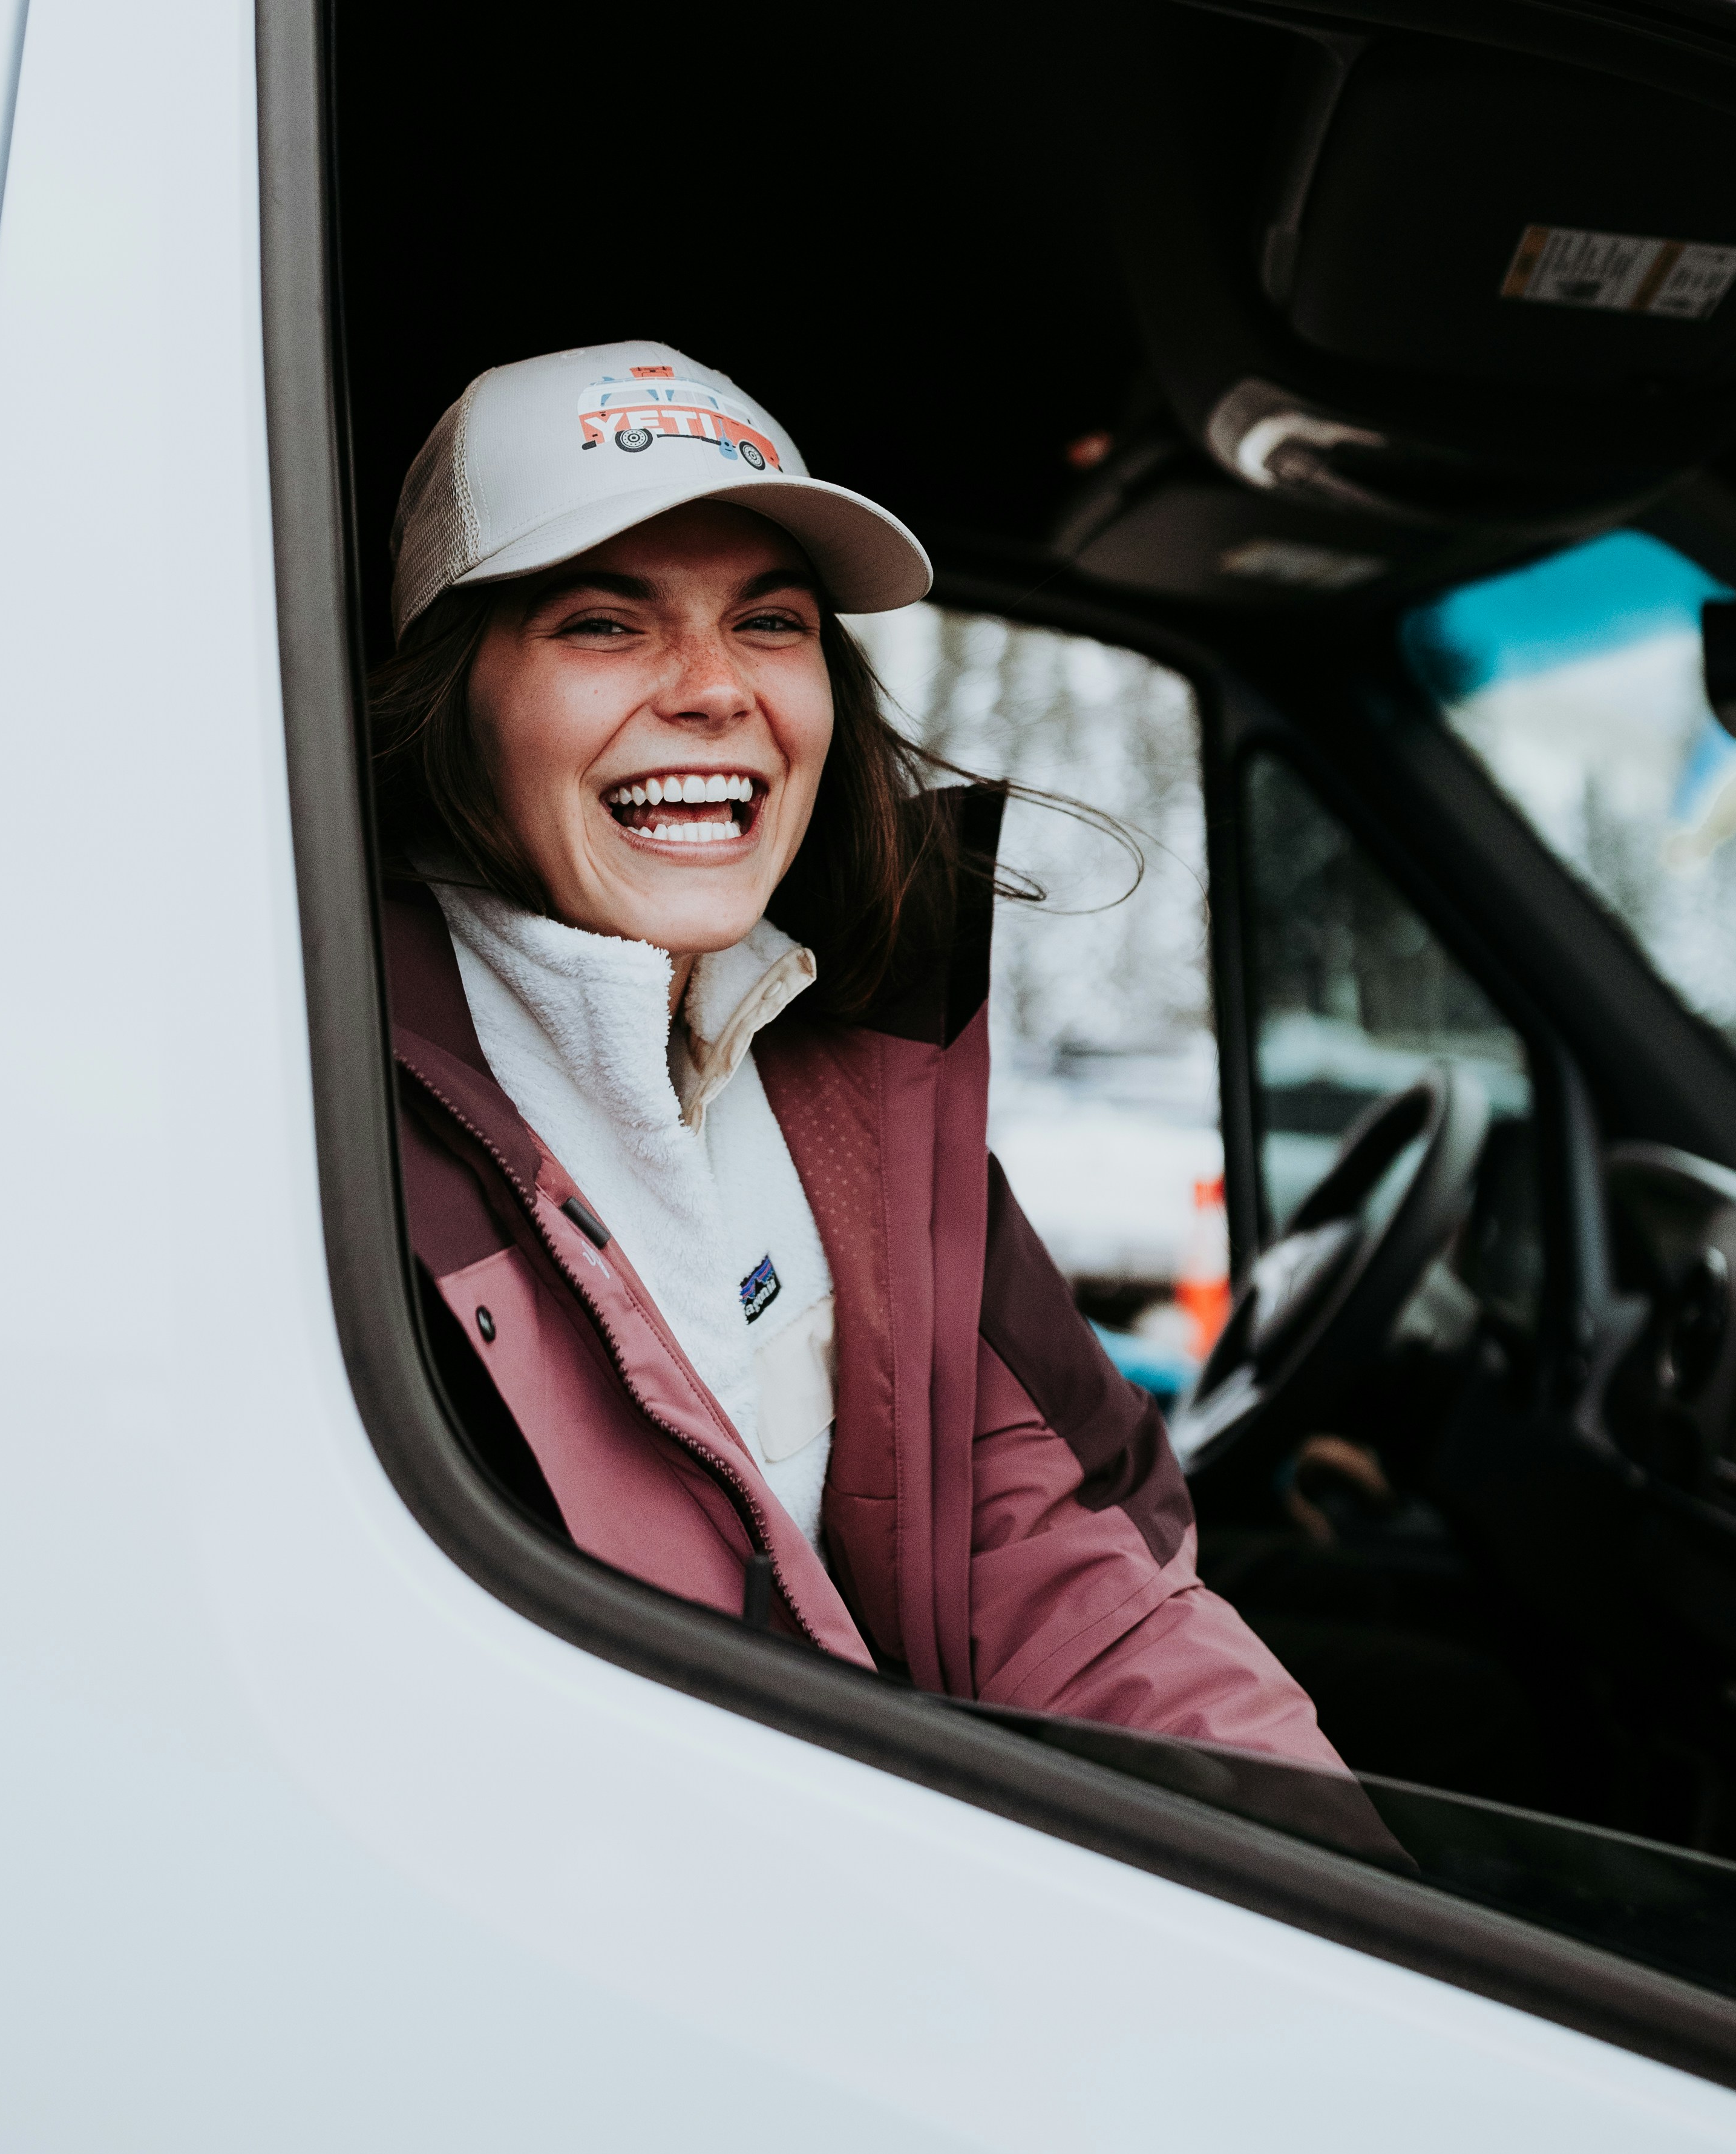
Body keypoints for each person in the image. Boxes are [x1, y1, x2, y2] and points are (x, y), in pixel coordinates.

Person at [369, 339, 1338, 1761]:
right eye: (603, 625)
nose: (715, 691)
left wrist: (1320, 1891)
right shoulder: (333, 1115)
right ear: (454, 698)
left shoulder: (851, 1069)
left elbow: (1047, 1539)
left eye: (770, 623)